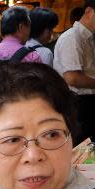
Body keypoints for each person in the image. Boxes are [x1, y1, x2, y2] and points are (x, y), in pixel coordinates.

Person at [54, 0, 95, 144]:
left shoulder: (87, 38)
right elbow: (72, 78)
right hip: (79, 104)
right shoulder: (72, 37)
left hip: (86, 104)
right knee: (81, 147)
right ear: (89, 12)